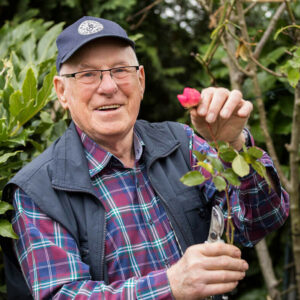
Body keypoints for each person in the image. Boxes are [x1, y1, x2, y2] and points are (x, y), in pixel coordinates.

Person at [1, 16, 289, 300]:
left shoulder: (181, 143)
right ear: (62, 92)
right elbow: (62, 295)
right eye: (87, 74)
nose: (108, 86)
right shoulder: (37, 191)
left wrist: (234, 145)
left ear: (140, 80)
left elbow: (262, 220)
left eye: (120, 70)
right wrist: (172, 285)